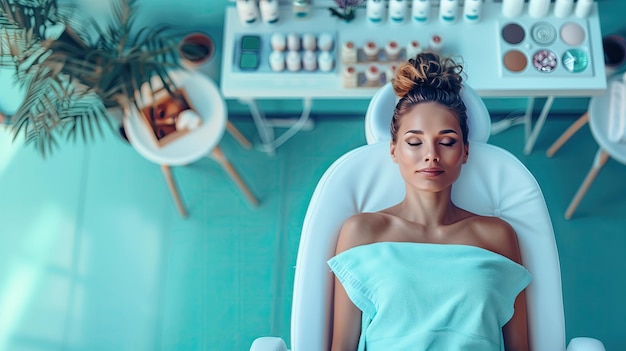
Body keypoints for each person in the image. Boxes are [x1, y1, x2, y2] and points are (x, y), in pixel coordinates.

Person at [327, 52, 532, 351]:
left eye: (447, 141)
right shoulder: (362, 232)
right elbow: (342, 346)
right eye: (414, 142)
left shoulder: (496, 236)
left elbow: (520, 347)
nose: (431, 154)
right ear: (394, 150)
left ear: (465, 152)